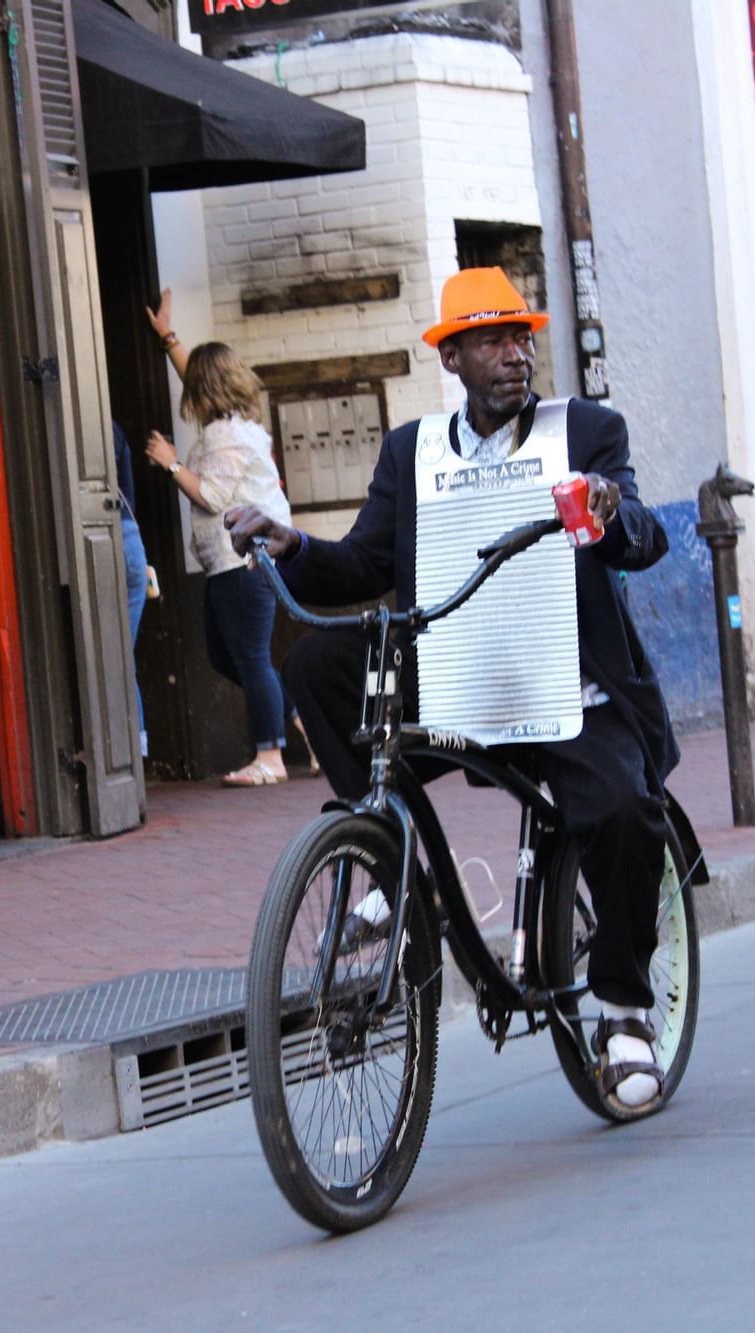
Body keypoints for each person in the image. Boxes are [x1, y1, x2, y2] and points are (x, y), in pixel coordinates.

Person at [225, 268, 677, 1110]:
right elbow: (363, 566)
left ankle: (623, 1009)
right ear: (454, 358)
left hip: (563, 682)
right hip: (459, 677)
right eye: (492, 342)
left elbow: (641, 539)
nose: (514, 355)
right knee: (315, 665)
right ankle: (393, 854)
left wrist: (610, 508)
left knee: (622, 810)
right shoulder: (413, 451)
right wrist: (290, 543)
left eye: (520, 338)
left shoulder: (582, 429)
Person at [144, 292, 306, 786]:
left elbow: (212, 495)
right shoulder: (235, 425)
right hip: (231, 563)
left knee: (251, 658)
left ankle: (270, 759)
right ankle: (308, 725)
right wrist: (169, 338)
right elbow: (198, 375)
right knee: (226, 655)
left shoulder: (226, 437)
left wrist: (170, 461)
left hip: (245, 562)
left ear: (204, 392)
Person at [113, 421, 150, 757]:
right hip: (131, 544)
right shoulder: (117, 430)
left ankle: (131, 755)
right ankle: (136, 752)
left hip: (114, 544)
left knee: (115, 657)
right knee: (122, 656)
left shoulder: (95, 429)